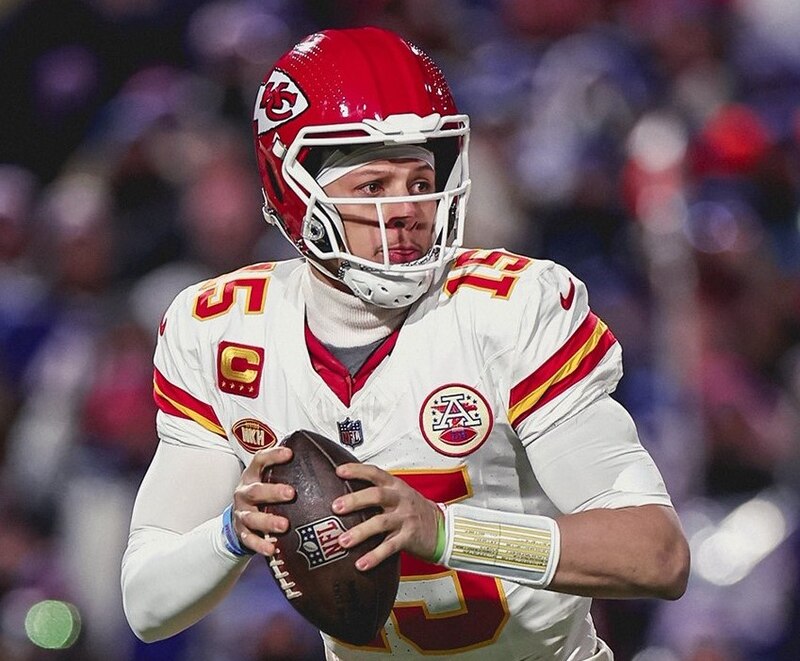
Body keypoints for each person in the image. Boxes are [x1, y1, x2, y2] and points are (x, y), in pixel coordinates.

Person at [121, 26, 690, 660]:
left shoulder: (509, 309)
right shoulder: (223, 328)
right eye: (373, 187)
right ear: (293, 192)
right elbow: (146, 604)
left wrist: (446, 533)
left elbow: (656, 553)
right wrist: (231, 533)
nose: (409, 209)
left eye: (420, 180)